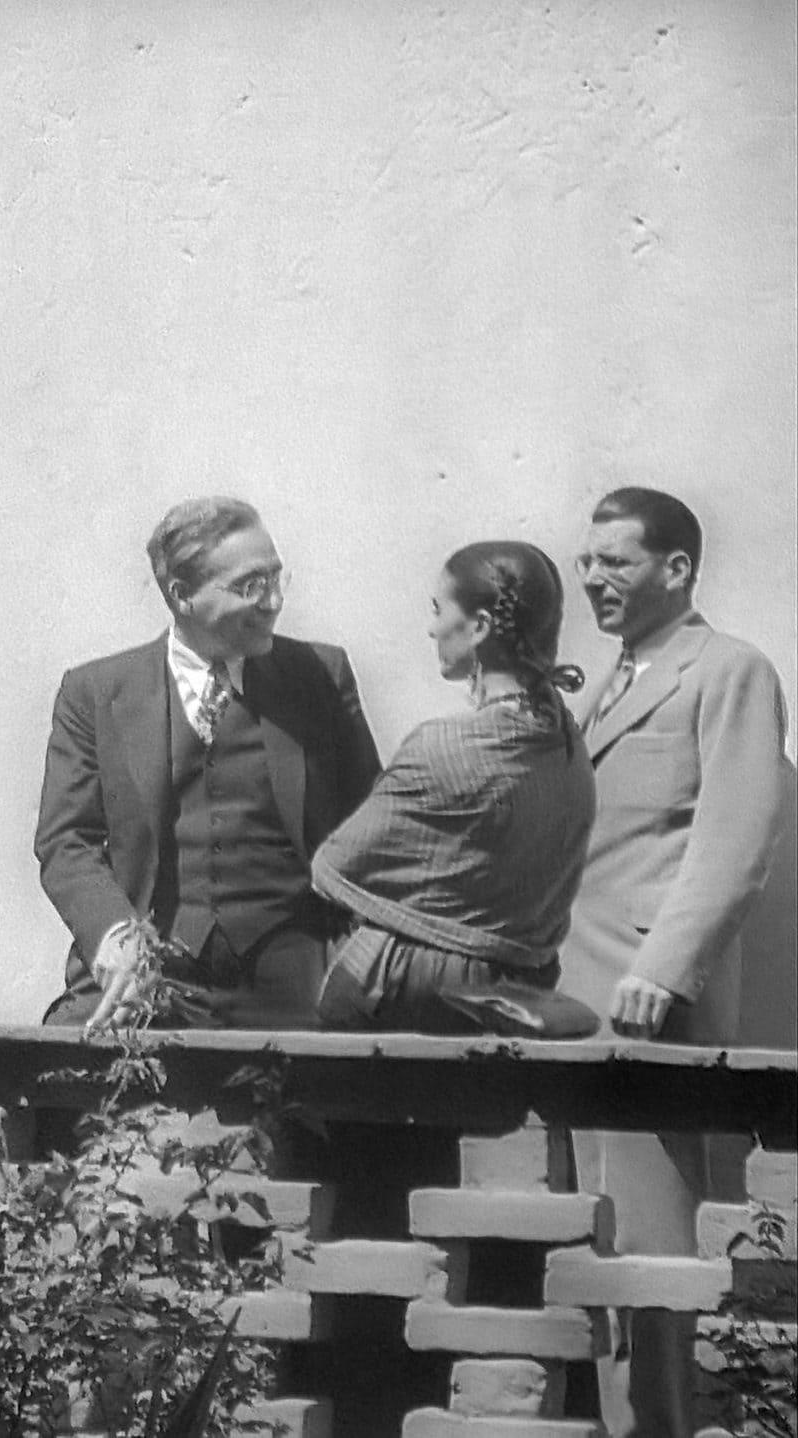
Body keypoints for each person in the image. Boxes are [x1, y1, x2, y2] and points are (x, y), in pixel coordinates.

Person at [562, 487, 793, 1438]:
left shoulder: (728, 669)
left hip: (645, 1012)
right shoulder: (605, 680)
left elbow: (738, 836)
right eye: (587, 561)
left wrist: (667, 968)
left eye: (614, 561)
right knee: (580, 1258)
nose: (591, 578)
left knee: (649, 1268)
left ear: (678, 568)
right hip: (567, 1010)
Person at [36, 496, 381, 1029]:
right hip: (148, 979)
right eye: (249, 586)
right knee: (60, 1083)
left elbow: (372, 830)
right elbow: (66, 842)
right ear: (182, 596)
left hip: (294, 986)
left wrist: (355, 954)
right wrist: (113, 935)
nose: (272, 602)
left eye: (276, 578)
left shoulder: (321, 676)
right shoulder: (95, 693)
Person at [312, 542, 595, 1032]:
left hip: (407, 992)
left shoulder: (443, 747)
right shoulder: (567, 740)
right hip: (521, 994)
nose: (431, 627)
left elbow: (333, 868)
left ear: (481, 626)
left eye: (439, 610)